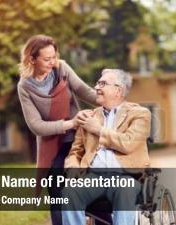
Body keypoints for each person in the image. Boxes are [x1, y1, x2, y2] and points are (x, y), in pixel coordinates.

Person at [17, 34, 97, 225]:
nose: (52, 62)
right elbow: (36, 126)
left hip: (78, 138)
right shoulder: (25, 86)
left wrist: (110, 100)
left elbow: (84, 91)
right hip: (52, 144)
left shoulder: (61, 68)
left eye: (54, 56)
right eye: (47, 59)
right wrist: (70, 123)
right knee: (56, 190)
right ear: (32, 59)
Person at [62, 69, 151, 225]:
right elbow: (75, 153)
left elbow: (128, 143)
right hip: (94, 177)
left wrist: (98, 129)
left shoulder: (140, 113)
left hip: (125, 177)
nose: (96, 87)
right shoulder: (88, 116)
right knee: (70, 192)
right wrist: (72, 168)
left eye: (102, 83)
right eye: (97, 83)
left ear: (118, 90)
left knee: (125, 190)